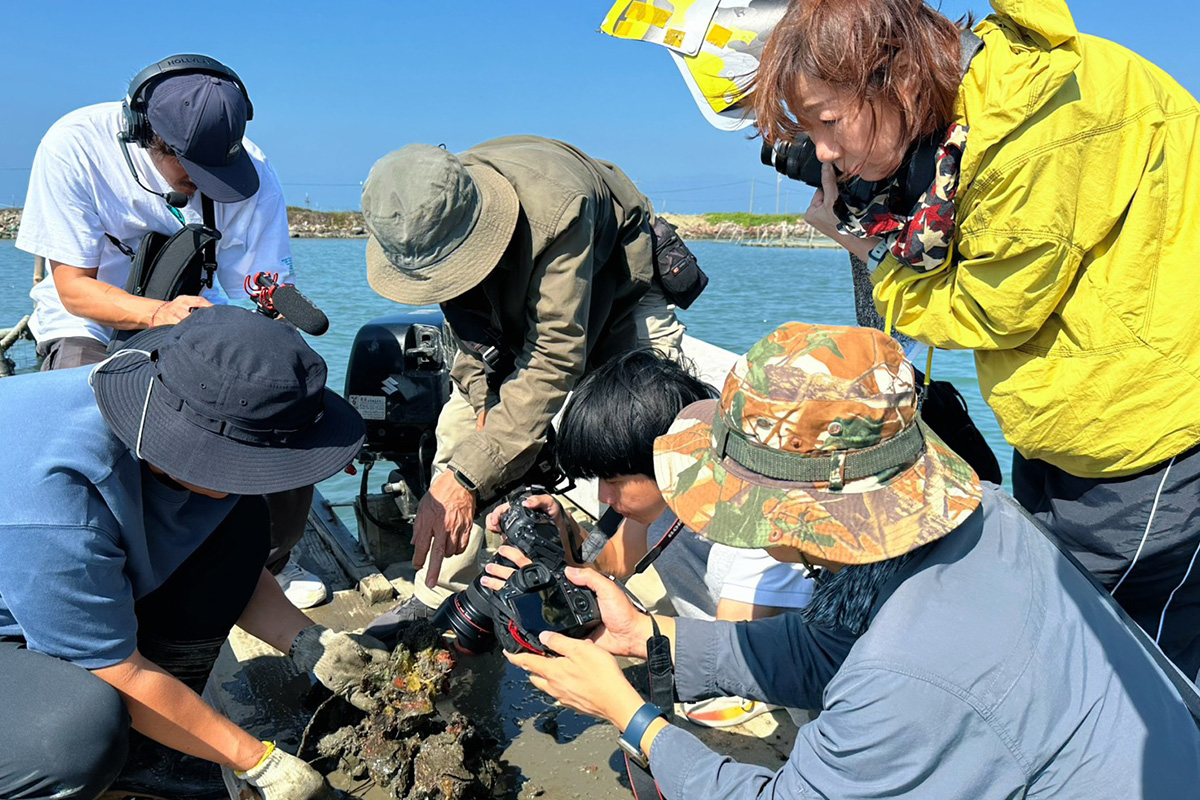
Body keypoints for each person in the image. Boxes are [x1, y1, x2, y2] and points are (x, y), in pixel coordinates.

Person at [503, 322, 1200, 799]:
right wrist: (652, 641)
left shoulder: (906, 672)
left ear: (794, 511)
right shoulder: (979, 513)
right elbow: (821, 649)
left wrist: (628, 713)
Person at [751, 0, 1200, 677]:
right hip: (1071, 416)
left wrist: (866, 249)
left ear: (896, 78)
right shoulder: (985, 103)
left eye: (828, 121)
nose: (823, 152)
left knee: (1136, 665)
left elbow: (992, 311)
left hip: (1145, 437)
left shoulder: (1037, 131)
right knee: (1070, 627)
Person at [0, 306, 382, 800]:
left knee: (240, 524)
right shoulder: (59, 503)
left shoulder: (174, 395)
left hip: (50, 568)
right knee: (73, 739)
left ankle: (153, 744)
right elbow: (115, 669)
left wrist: (309, 641)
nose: (254, 475)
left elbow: (227, 563)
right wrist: (258, 762)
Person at [15, 54, 326, 608]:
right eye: (193, 172)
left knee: (280, 411)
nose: (210, 184)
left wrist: (282, 329)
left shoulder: (251, 169)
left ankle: (269, 558)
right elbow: (73, 289)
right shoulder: (74, 147)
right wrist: (156, 316)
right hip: (89, 316)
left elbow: (260, 283)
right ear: (147, 138)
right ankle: (105, 563)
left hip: (192, 313)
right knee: (93, 427)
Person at [360, 137, 688, 622]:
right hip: (511, 311)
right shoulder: (422, 219)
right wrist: (483, 414)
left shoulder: (560, 207)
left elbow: (555, 355)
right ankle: (440, 600)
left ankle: (653, 619)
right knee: (459, 437)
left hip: (618, 292)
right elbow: (469, 339)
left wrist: (472, 476)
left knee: (646, 446)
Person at [548, 348, 815, 727]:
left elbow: (731, 645)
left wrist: (621, 691)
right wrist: (563, 528)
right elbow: (616, 563)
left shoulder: (761, 527)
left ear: (669, 459)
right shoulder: (664, 501)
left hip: (776, 664)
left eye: (616, 481)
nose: (605, 498)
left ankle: (756, 694)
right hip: (728, 637)